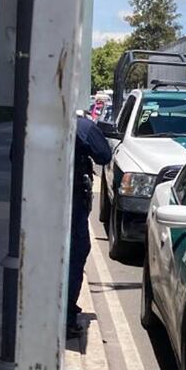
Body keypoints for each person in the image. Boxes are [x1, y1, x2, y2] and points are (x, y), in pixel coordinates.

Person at [68, 115, 113, 338]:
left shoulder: (32, 119)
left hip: (37, 202)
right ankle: (66, 316)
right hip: (72, 201)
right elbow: (104, 155)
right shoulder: (83, 126)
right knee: (75, 253)